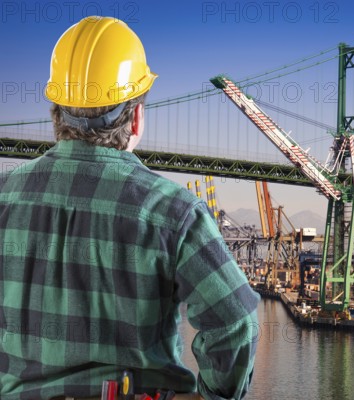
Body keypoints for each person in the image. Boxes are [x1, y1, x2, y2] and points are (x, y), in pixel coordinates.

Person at [0, 16, 260, 400]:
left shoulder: (4, 196)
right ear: (136, 116)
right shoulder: (173, 211)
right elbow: (236, 322)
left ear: (55, 111)